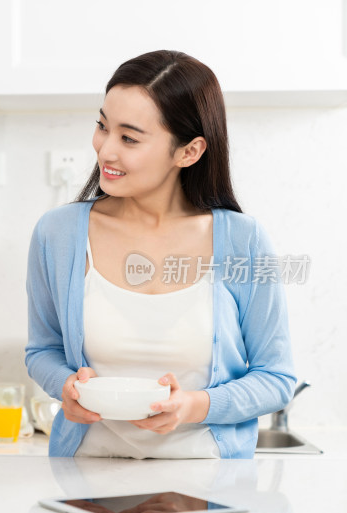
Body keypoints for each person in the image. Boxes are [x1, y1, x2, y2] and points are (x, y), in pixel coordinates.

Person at [25, 50, 296, 459]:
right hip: (87, 483)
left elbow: (275, 378)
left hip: (208, 490)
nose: (105, 150)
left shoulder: (243, 241)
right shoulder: (58, 234)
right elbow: (42, 350)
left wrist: (193, 406)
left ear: (188, 152)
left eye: (129, 138)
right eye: (102, 126)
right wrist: (66, 385)